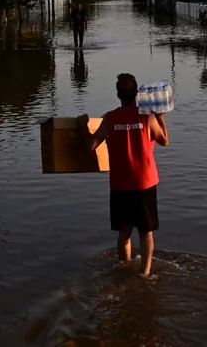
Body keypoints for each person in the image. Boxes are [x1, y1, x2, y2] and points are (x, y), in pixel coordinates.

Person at [78, 74, 169, 277]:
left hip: (120, 184)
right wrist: (160, 116)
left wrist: (82, 125)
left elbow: (91, 145)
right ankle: (145, 273)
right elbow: (164, 141)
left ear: (118, 94)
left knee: (124, 232)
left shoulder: (110, 118)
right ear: (137, 94)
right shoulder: (147, 116)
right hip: (145, 182)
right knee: (146, 232)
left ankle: (124, 268)